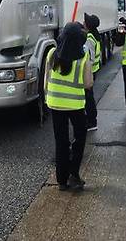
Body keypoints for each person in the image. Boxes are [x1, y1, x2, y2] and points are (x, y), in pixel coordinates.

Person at [44, 22, 93, 191]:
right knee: (79, 138)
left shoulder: (51, 54)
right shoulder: (83, 57)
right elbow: (88, 84)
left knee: (61, 141)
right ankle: (74, 174)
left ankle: (61, 181)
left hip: (55, 104)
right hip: (75, 105)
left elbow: (46, 80)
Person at [83, 13, 102, 131]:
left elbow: (89, 57)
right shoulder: (95, 35)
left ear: (88, 25)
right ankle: (91, 119)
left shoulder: (89, 38)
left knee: (88, 99)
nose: (83, 23)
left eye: (85, 21)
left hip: (89, 72)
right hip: (93, 71)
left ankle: (92, 122)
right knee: (89, 97)